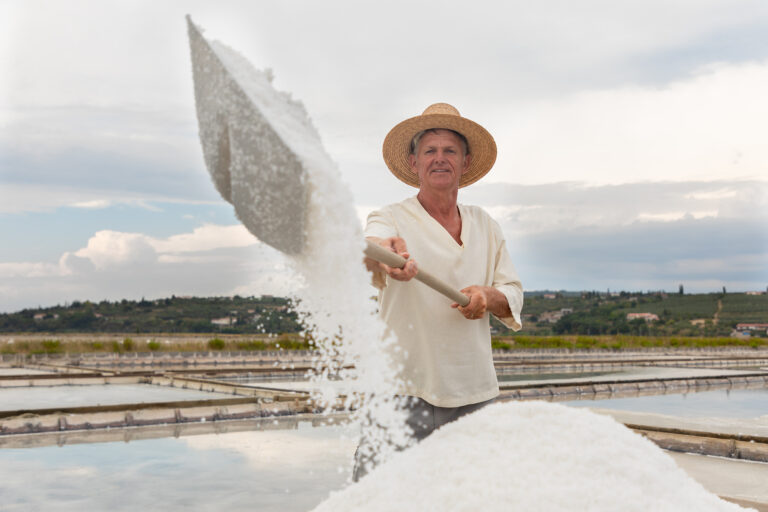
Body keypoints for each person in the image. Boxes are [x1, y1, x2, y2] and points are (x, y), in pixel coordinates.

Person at [354, 103, 523, 480]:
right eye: (429, 150)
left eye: (450, 151)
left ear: (465, 162)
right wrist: (389, 257)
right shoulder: (391, 216)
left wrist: (485, 295)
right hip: (402, 389)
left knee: (474, 500)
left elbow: (511, 291)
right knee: (376, 497)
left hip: (474, 392)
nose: (440, 159)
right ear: (414, 163)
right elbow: (372, 247)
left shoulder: (486, 225)